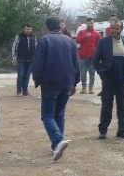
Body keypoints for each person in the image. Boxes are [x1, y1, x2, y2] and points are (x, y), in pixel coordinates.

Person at [32, 17, 80, 162]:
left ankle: (58, 140)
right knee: (59, 114)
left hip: (50, 82)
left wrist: (37, 79)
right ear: (60, 26)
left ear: (47, 28)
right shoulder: (69, 40)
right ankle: (56, 146)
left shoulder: (44, 40)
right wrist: (75, 83)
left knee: (47, 115)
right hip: (66, 83)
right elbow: (76, 63)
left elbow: (38, 63)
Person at [93, 20, 124, 140]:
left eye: (117, 28)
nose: (114, 31)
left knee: (122, 105)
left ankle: (123, 130)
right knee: (106, 105)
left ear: (121, 29)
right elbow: (95, 60)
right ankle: (103, 131)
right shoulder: (104, 42)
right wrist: (102, 73)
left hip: (122, 79)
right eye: (112, 28)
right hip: (108, 79)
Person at [75, 17, 101, 94]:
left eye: (92, 23)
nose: (90, 24)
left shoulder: (97, 34)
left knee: (92, 73)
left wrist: (98, 56)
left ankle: (91, 88)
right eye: (89, 23)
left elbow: (98, 46)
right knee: (83, 73)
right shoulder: (81, 32)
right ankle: (84, 87)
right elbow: (77, 41)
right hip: (83, 57)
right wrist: (85, 36)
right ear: (86, 24)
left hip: (92, 57)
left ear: (94, 23)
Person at [11, 23, 37, 97]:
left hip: (31, 59)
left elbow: (36, 47)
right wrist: (14, 57)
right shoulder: (19, 36)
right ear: (24, 29)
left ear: (31, 29)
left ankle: (25, 90)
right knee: (21, 75)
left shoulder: (34, 37)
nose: (28, 30)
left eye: (29, 29)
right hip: (21, 59)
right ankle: (19, 90)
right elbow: (14, 47)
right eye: (26, 29)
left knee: (27, 75)